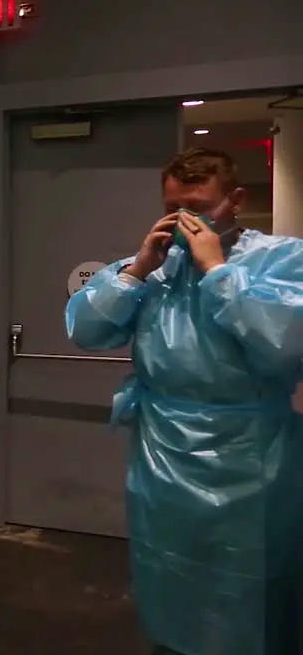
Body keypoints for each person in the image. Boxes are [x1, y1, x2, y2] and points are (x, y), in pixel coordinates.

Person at [65, 148, 303, 655]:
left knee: (248, 575)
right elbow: (87, 330)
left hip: (249, 450)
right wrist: (133, 272)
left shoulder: (280, 258)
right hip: (163, 446)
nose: (185, 221)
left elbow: (285, 341)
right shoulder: (156, 267)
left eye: (200, 206)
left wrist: (219, 272)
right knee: (169, 566)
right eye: (175, 207)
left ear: (234, 201)